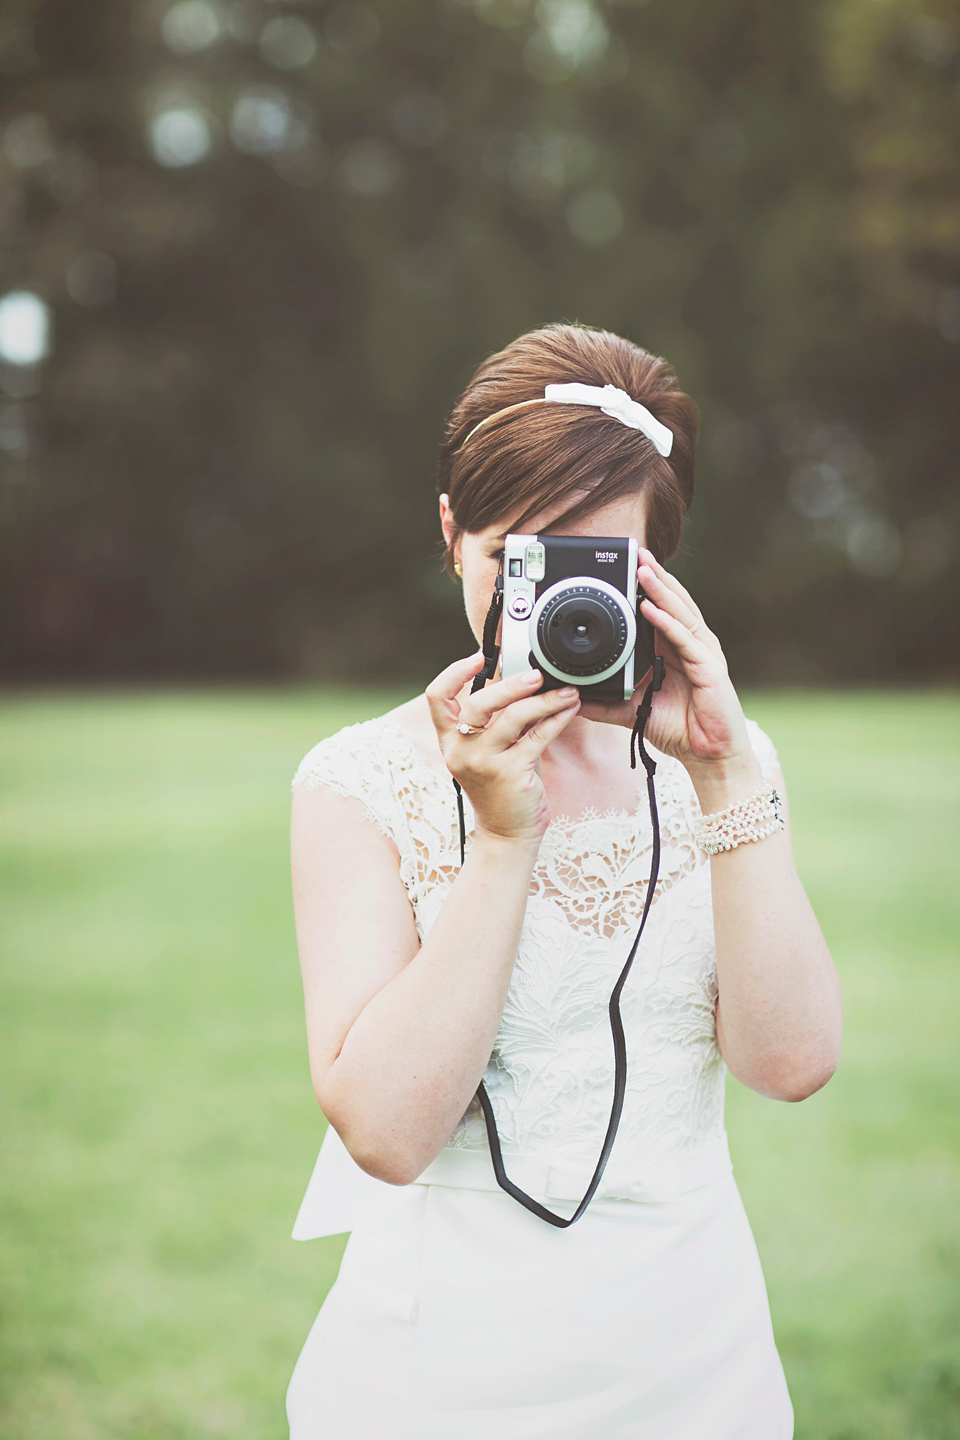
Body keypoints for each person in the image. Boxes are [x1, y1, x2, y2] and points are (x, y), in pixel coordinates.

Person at [285, 323, 842, 1440]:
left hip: (696, 1354)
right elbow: (387, 1135)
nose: (558, 613)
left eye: (595, 569)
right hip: (443, 1366)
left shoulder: (725, 763)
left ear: (656, 574)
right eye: (518, 565)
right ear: (452, 536)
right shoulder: (356, 782)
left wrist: (727, 770)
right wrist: (501, 839)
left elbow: (789, 1065)